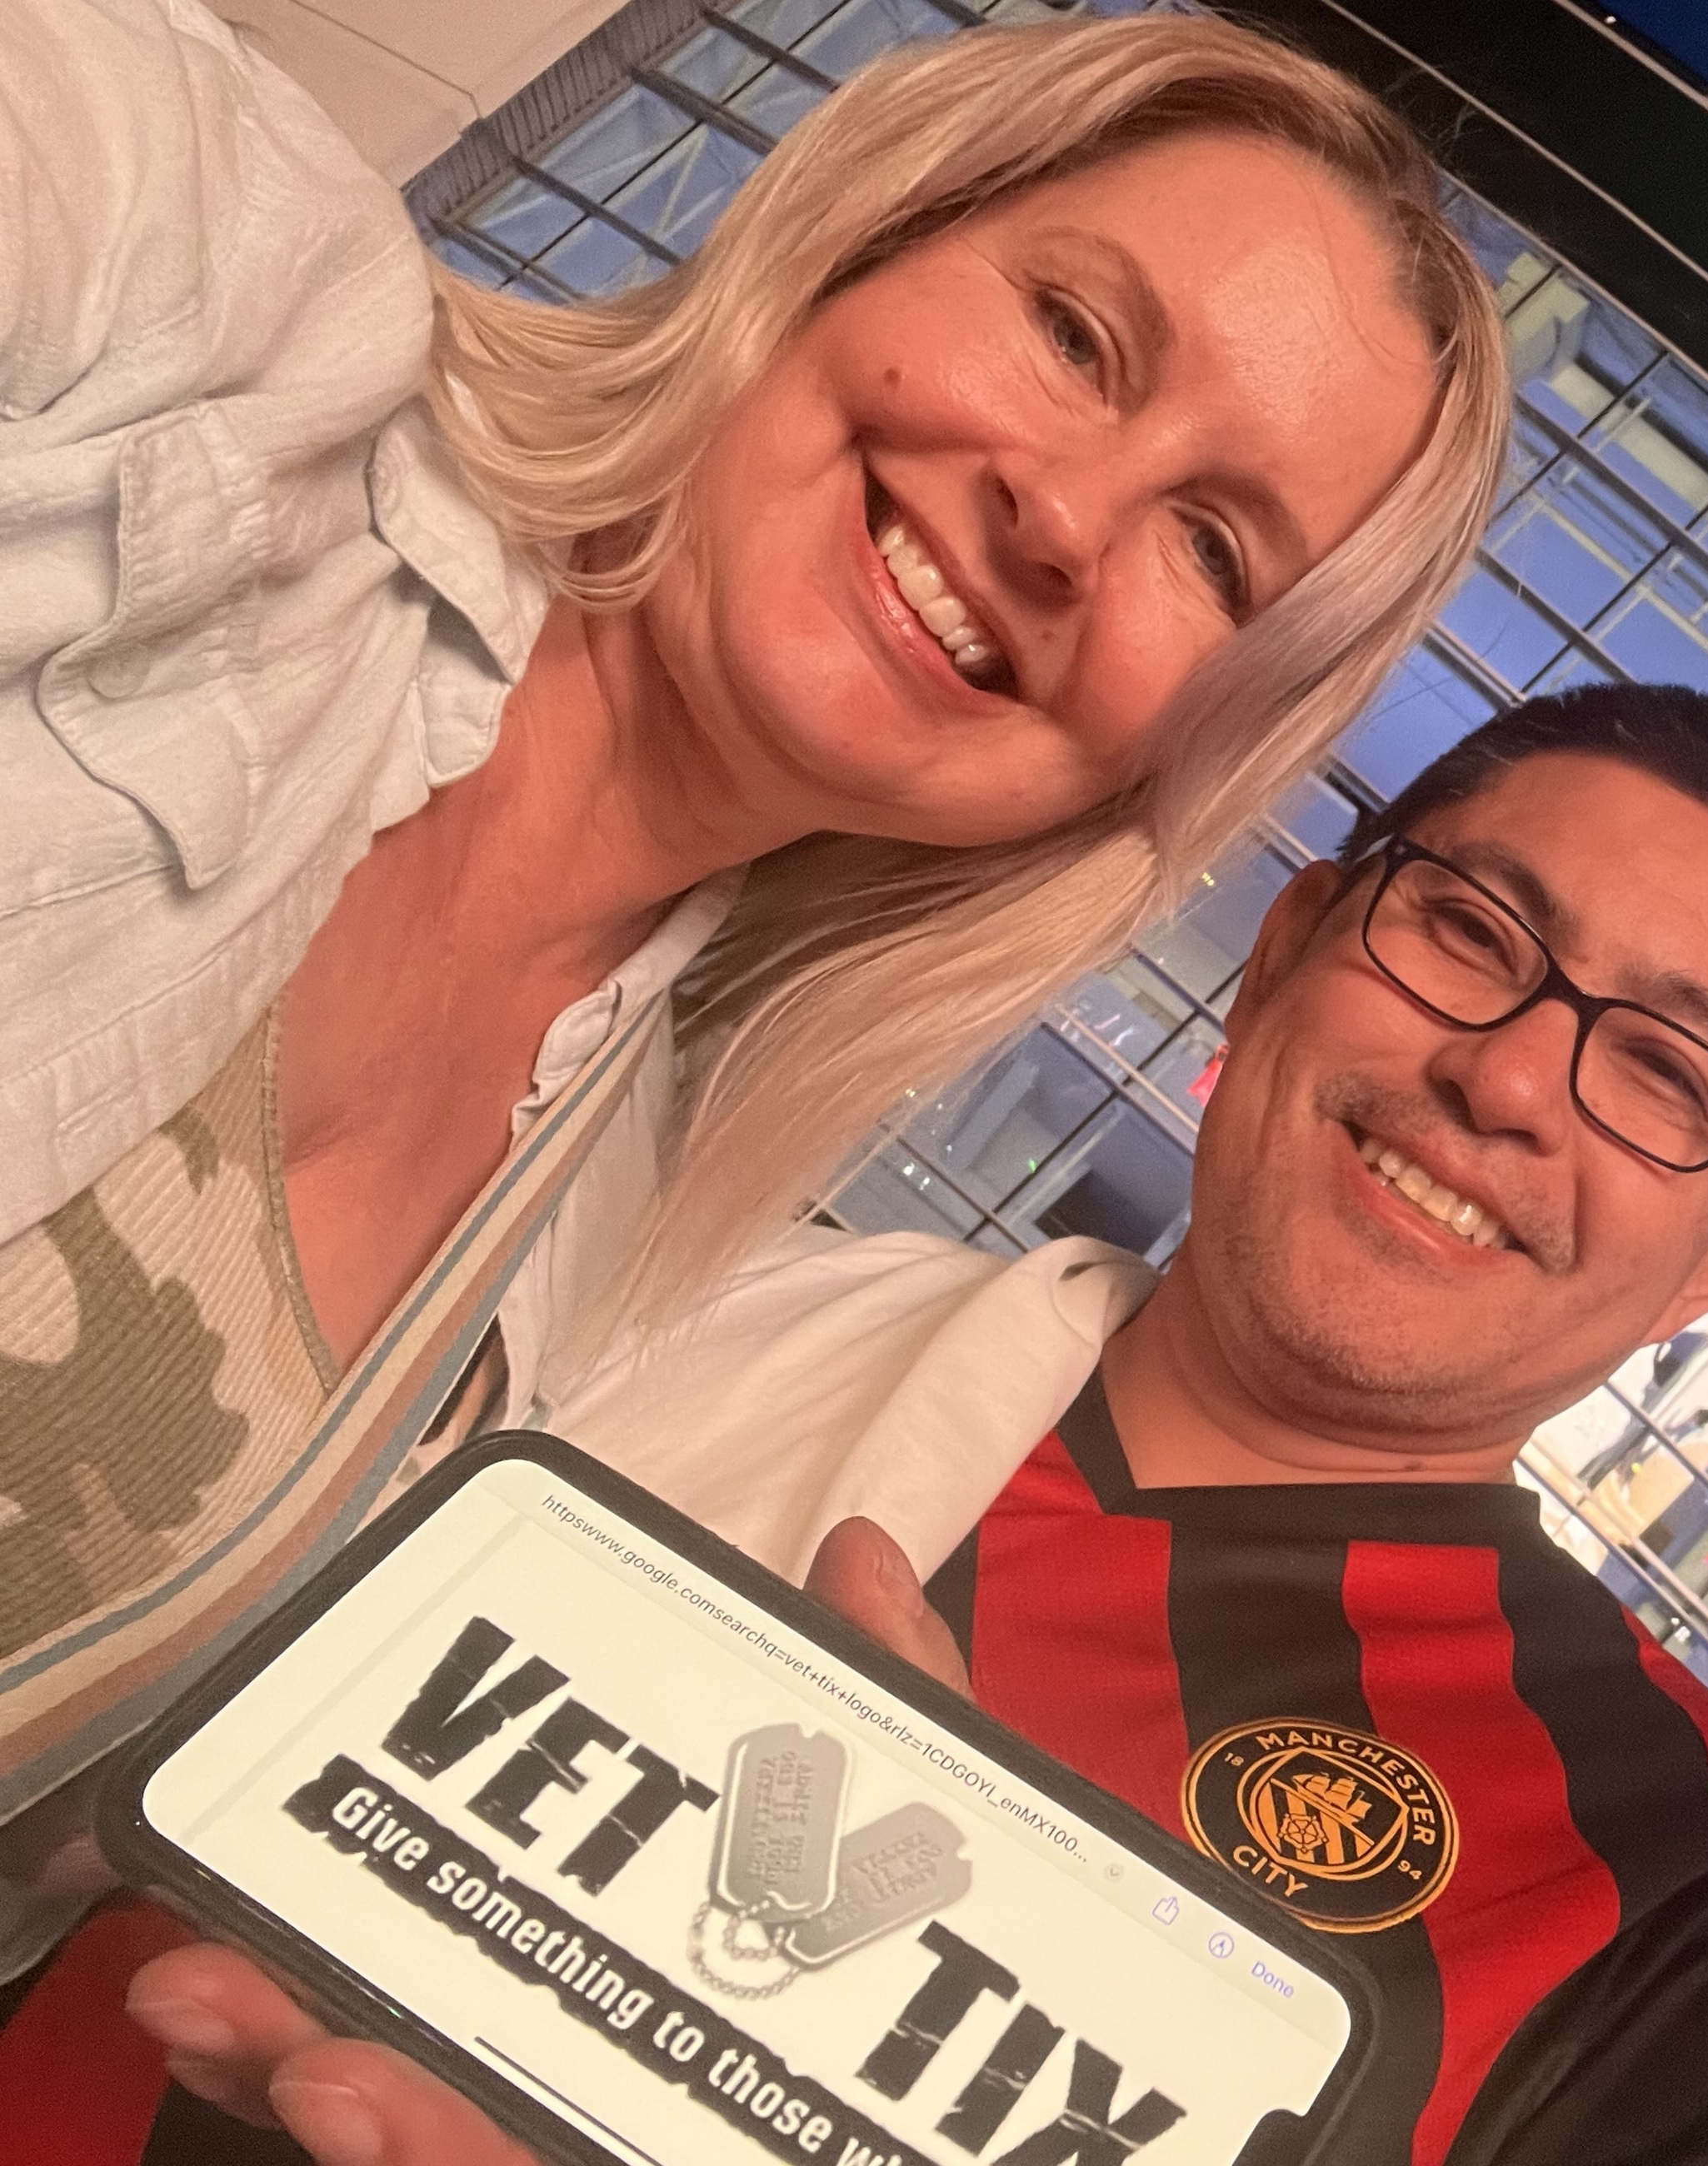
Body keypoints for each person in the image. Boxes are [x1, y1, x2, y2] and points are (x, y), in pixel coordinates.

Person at [0, 0, 1510, 1972]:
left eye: (1215, 552)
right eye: (1075, 334)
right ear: (874, 227)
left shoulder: (611, 1227)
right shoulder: (201, 266)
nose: (1066, 520)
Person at [105, 686, 1708, 2165]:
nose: (1504, 1075)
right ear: (1282, 953)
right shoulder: (671, 1289)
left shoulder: (1696, 1873)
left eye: (1664, 1072)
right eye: (1470, 931)